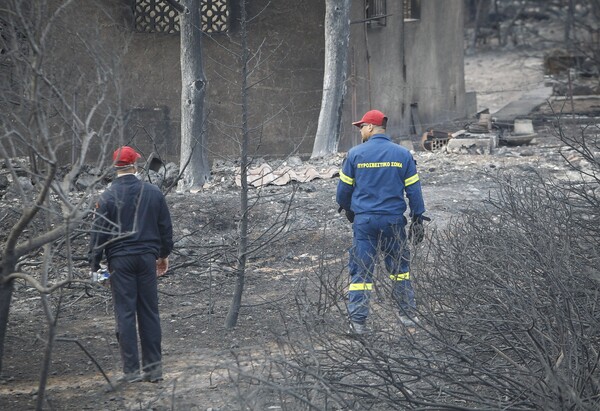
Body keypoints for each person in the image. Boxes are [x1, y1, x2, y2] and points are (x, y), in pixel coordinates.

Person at [336, 110, 427, 334]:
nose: (360, 131)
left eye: (361, 127)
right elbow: (414, 190)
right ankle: (407, 317)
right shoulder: (403, 155)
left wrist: (348, 209)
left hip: (364, 222)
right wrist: (417, 218)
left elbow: (343, 192)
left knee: (361, 272)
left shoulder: (355, 154)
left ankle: (358, 323)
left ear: (370, 127)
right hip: (393, 222)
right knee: (400, 270)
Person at [89, 146, 173, 383]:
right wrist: (163, 255)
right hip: (147, 259)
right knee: (149, 313)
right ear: (135, 164)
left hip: (118, 262)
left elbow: (97, 237)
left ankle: (131, 371)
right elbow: (165, 229)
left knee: (125, 314)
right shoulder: (153, 192)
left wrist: (95, 269)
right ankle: (154, 371)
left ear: (114, 167)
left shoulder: (105, 198)